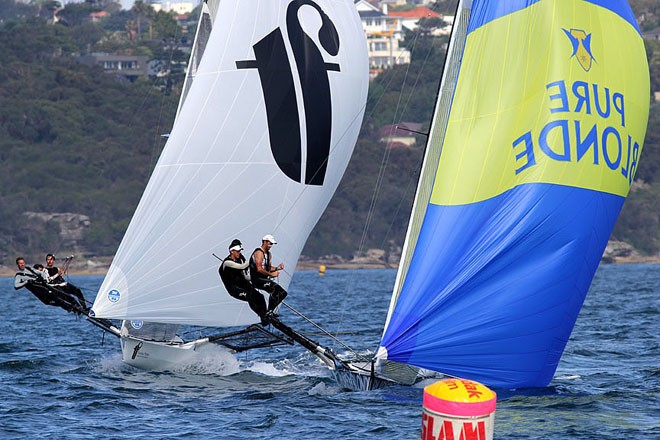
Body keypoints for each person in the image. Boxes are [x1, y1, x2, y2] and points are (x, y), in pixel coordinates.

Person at [219, 239, 269, 325]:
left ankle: (266, 315)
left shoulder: (241, 258)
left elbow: (246, 275)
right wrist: (254, 260)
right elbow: (242, 267)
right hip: (234, 289)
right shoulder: (227, 263)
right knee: (250, 297)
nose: (239, 253)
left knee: (260, 297)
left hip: (244, 285)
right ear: (232, 251)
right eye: (237, 251)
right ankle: (262, 316)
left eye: (240, 251)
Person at [14, 257, 81, 313]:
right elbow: (16, 286)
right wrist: (26, 282)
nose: (22, 264)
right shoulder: (19, 275)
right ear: (17, 265)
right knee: (59, 301)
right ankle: (73, 309)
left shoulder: (29, 269)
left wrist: (44, 278)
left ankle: (79, 307)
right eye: (20, 263)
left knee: (63, 294)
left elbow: (41, 273)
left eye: (23, 263)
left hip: (46, 287)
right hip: (42, 294)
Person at [249, 234, 287, 316]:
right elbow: (259, 269)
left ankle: (270, 311)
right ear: (265, 242)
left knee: (282, 293)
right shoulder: (259, 252)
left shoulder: (269, 254)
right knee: (275, 289)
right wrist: (271, 274)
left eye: (272, 244)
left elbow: (268, 268)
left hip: (264, 280)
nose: (271, 246)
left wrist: (277, 268)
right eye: (270, 243)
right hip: (257, 280)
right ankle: (269, 312)